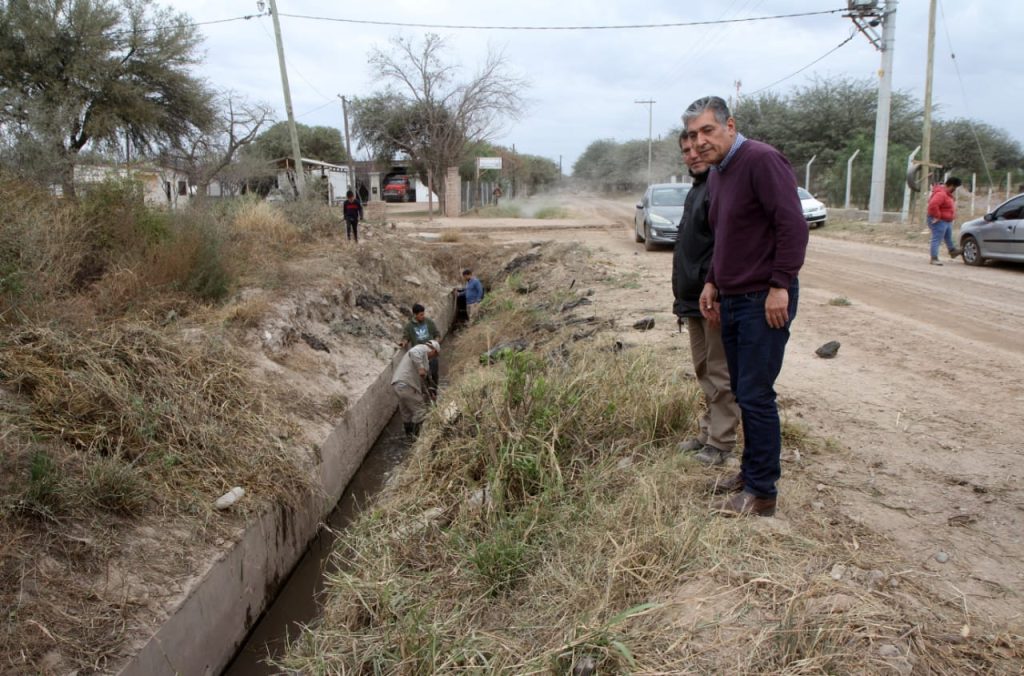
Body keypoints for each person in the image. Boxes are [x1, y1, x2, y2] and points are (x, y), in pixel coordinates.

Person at [684, 95, 809, 517]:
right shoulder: (720, 172)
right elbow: (726, 237)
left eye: (707, 131)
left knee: (756, 396)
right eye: (693, 135)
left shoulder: (761, 159)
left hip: (763, 299)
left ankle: (762, 493)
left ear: (730, 126)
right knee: (743, 391)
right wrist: (712, 282)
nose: (699, 142)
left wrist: (780, 285)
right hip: (732, 298)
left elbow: (791, 224)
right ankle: (749, 475)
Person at [672, 131, 741, 467]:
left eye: (698, 148)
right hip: (692, 301)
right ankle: (708, 433)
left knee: (720, 371)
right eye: (686, 150)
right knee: (704, 370)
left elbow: (724, 245)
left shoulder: (718, 186)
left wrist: (712, 286)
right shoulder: (697, 189)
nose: (692, 155)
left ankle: (721, 442)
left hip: (712, 298)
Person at [391, 339, 440, 437]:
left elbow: (422, 382)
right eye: (434, 356)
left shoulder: (423, 358)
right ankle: (417, 440)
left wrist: (429, 394)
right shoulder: (423, 348)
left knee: (407, 414)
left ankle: (409, 437)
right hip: (407, 385)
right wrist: (420, 367)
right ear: (434, 351)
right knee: (420, 410)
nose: (432, 359)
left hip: (398, 385)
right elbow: (413, 352)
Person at [399, 303, 441, 392]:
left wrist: (435, 344)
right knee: (423, 377)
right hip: (420, 357)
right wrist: (403, 343)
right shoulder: (410, 326)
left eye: (423, 314)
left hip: (431, 354)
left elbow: (437, 334)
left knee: (434, 374)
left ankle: (434, 392)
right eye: (421, 314)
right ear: (415, 315)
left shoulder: (429, 322)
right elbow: (406, 337)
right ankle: (426, 395)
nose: (423, 316)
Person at [926, 177, 963, 265]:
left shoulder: (946, 194)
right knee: (937, 238)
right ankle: (934, 258)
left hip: (946, 220)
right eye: (955, 187)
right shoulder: (941, 194)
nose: (955, 190)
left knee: (948, 236)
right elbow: (932, 205)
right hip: (939, 220)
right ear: (951, 185)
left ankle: (952, 251)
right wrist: (937, 216)